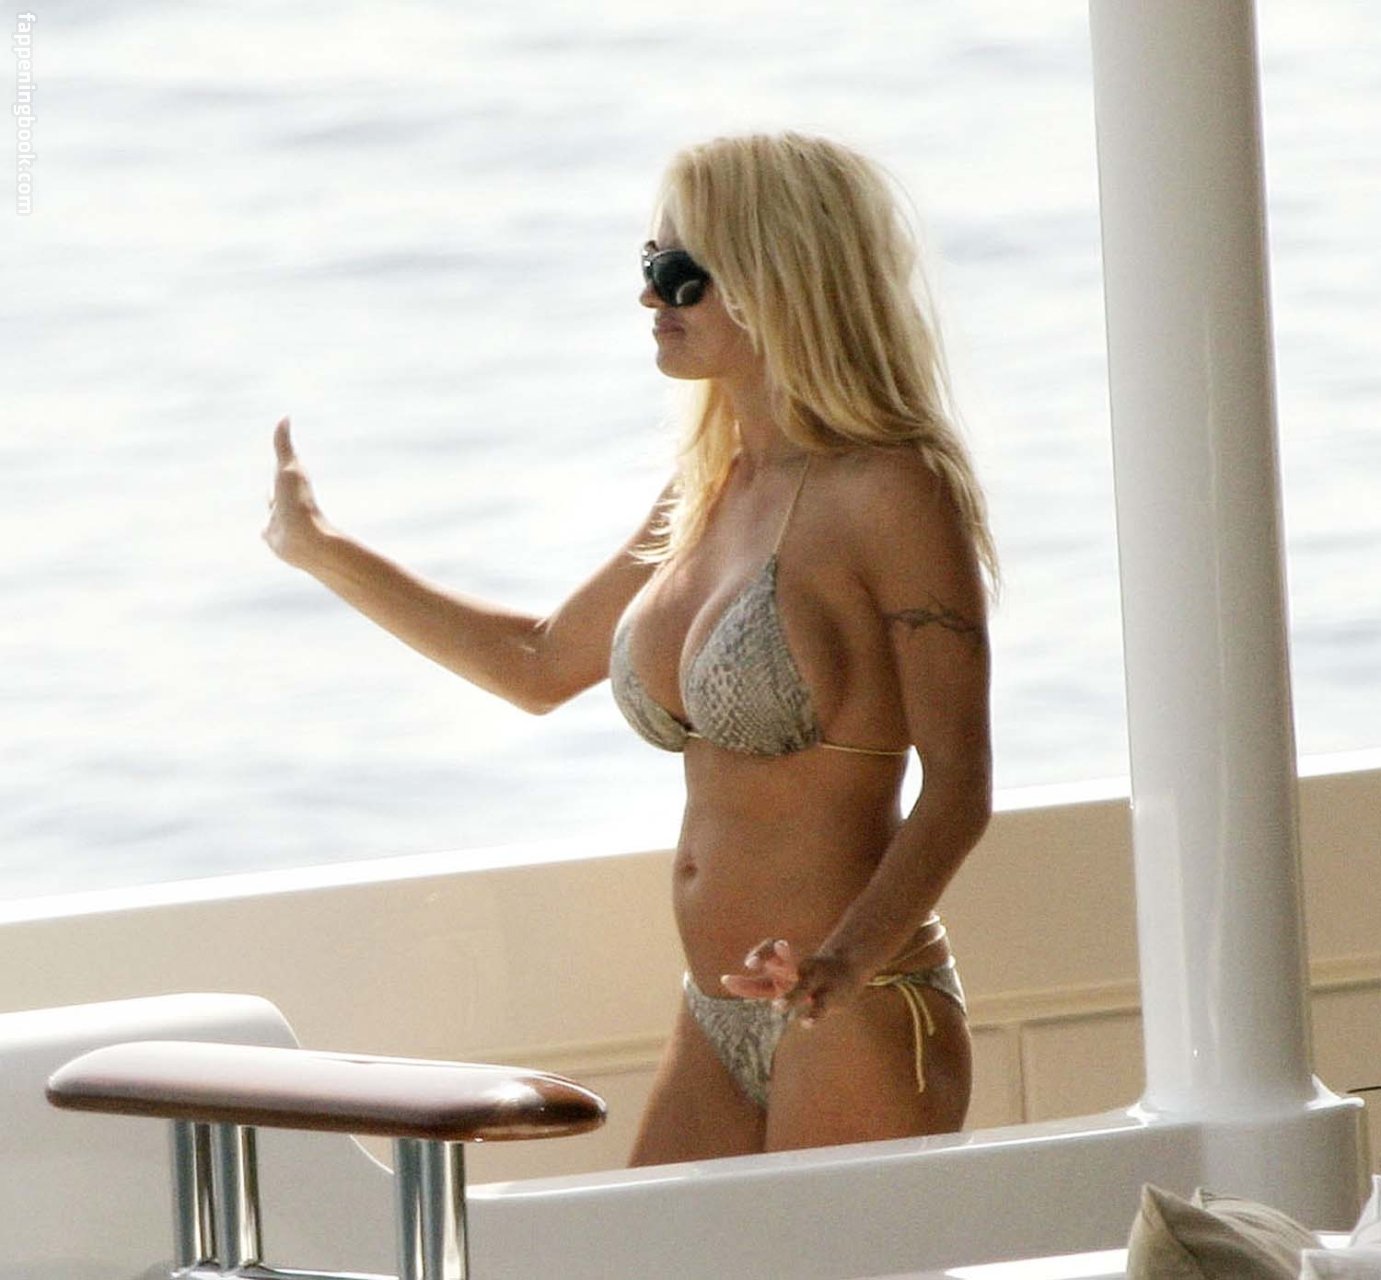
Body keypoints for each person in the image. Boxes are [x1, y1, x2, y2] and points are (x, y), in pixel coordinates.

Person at [264, 131, 997, 1165]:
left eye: (683, 272)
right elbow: (536, 665)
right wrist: (323, 551)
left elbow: (960, 784)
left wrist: (840, 964)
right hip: (718, 1008)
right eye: (650, 263)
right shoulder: (708, 485)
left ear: (778, 277)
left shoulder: (891, 488)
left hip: (855, 1003)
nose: (651, 295)